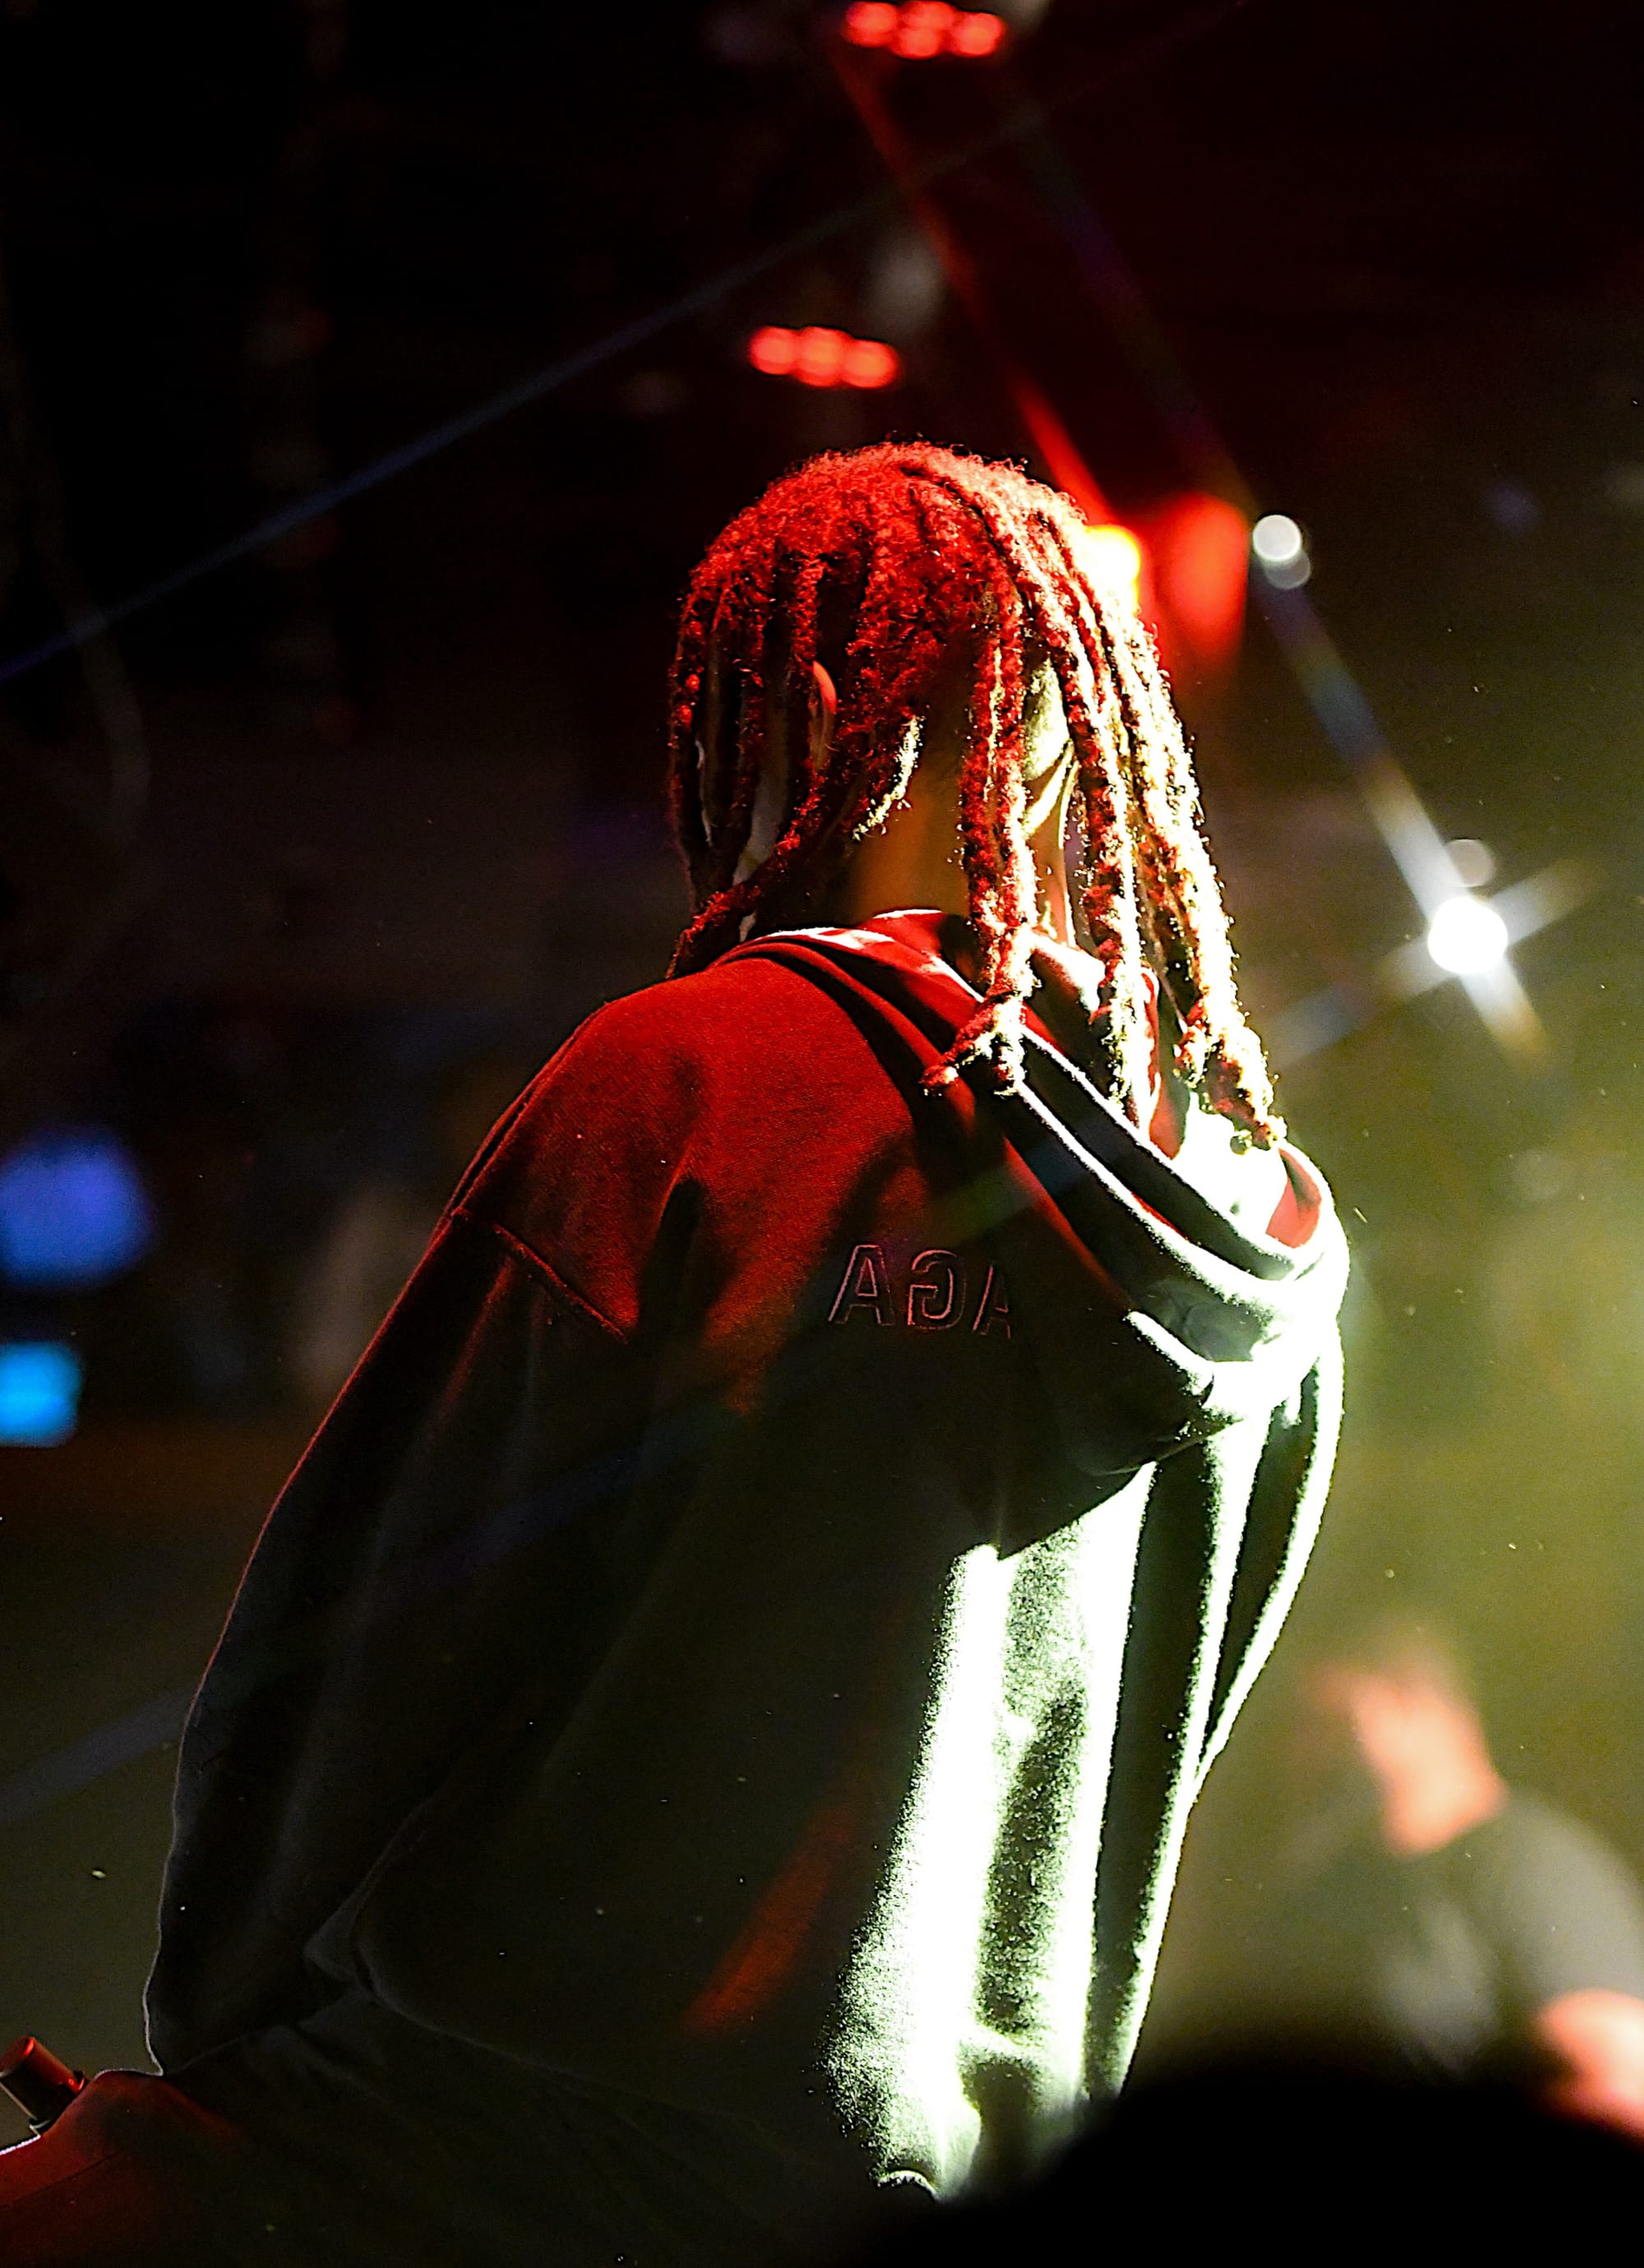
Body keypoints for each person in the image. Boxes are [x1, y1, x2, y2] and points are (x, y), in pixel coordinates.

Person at [1, 442, 1346, 2266]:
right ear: (1056, 742)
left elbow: (358, 1642)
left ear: (804, 719)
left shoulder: (692, 1083)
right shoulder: (1269, 1234)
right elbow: (1158, 1760)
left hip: (480, 2155)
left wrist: (218, 2066)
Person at [1217, 1610, 1644, 2134]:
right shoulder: (1329, 1886)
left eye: (1327, 1724)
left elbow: (1612, 2085)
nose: (1301, 1752)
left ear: (1415, 1705)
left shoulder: (1530, 1864)